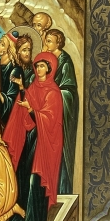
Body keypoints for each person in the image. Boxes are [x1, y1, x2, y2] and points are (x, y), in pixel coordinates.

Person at [3, 52, 64, 221]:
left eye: (42, 66)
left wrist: (30, 109)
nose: (38, 69)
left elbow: (49, 119)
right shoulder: (33, 87)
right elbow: (27, 104)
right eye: (37, 66)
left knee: (34, 181)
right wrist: (22, 89)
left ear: (50, 68)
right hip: (31, 138)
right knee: (21, 178)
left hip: (44, 142)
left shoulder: (53, 92)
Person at [43, 29, 79, 195]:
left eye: (50, 41)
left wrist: (54, 96)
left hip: (61, 114)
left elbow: (68, 90)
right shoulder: (46, 59)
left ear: (59, 43)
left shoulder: (65, 61)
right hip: (48, 115)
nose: (46, 44)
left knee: (60, 153)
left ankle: (61, 190)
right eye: (46, 40)